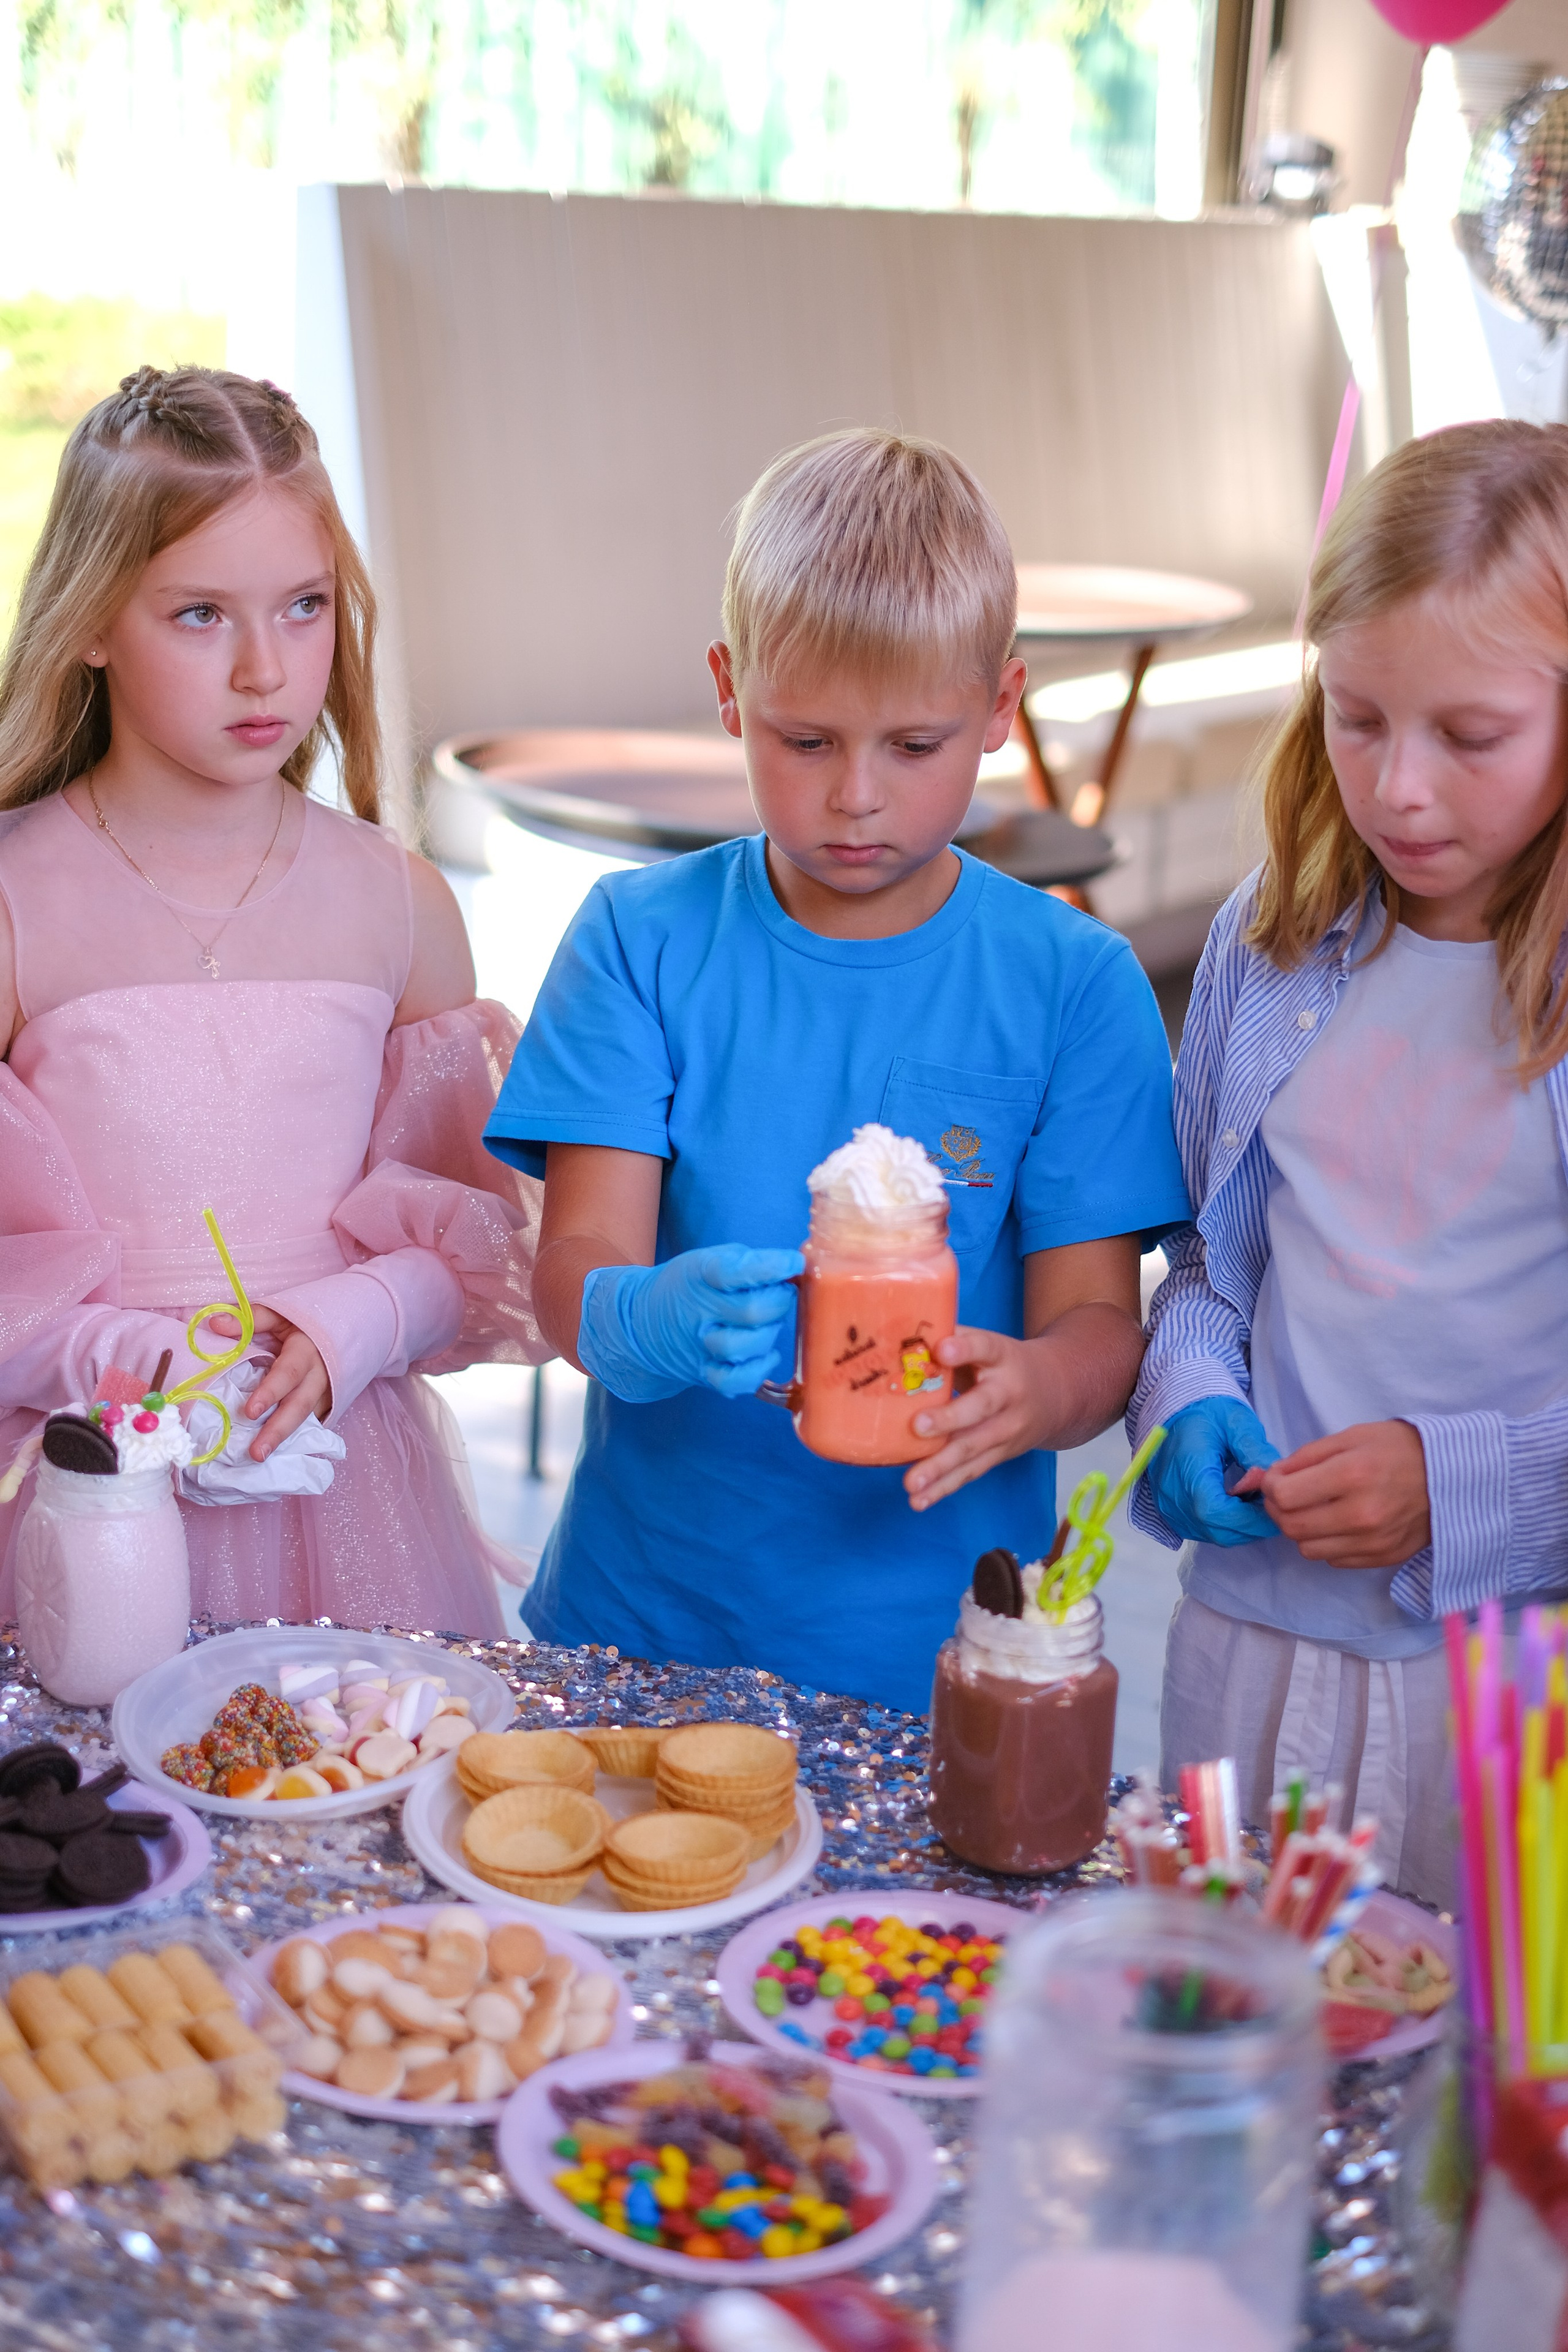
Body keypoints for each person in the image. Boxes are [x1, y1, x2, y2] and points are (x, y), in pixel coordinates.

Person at [485, 429, 1189, 1714]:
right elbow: (571, 1279)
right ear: (727, 688)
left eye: (912, 747)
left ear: (997, 708)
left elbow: (1097, 1329)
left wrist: (1035, 1391)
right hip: (636, 1624)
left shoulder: (1072, 986)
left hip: (931, 1661)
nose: (854, 798)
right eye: (802, 741)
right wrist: (642, 1318)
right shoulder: (635, 941)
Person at [0, 366, 544, 1635]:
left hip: (349, 1492)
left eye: (303, 609)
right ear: (88, 619)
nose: (264, 670)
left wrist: (367, 1313)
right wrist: (121, 1363)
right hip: (89, 1510)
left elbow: (477, 1245)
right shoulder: (16, 903)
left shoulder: (399, 903)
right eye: (200, 615)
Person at [1130, 420, 1568, 1907]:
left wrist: (1450, 1487)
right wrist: (1185, 1391)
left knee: (1475, 2089)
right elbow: (1208, 1260)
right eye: (1355, 715)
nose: (1397, 791)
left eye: (1470, 735)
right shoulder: (1277, 931)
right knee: (1224, 2026)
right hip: (1245, 1647)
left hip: (1516, 1691)